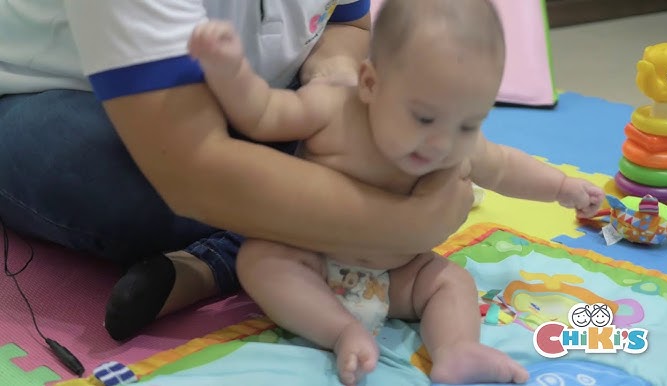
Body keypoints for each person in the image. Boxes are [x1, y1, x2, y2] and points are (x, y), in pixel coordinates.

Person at [0, 1, 477, 342]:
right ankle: (244, 251)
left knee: (381, 134)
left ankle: (224, 258)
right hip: (59, 98)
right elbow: (190, 167)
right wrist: (402, 222)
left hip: (254, 109)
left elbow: (346, 28)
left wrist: (333, 94)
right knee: (82, 164)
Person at [187, 0, 604, 385]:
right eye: (423, 117)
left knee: (450, 282)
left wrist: (562, 187)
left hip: (399, 276)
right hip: (313, 260)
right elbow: (263, 114)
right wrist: (230, 72)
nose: (442, 142)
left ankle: (457, 349)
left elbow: (506, 167)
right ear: (370, 83)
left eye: (467, 124)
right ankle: (340, 331)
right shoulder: (331, 108)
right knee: (261, 259)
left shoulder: (454, 142)